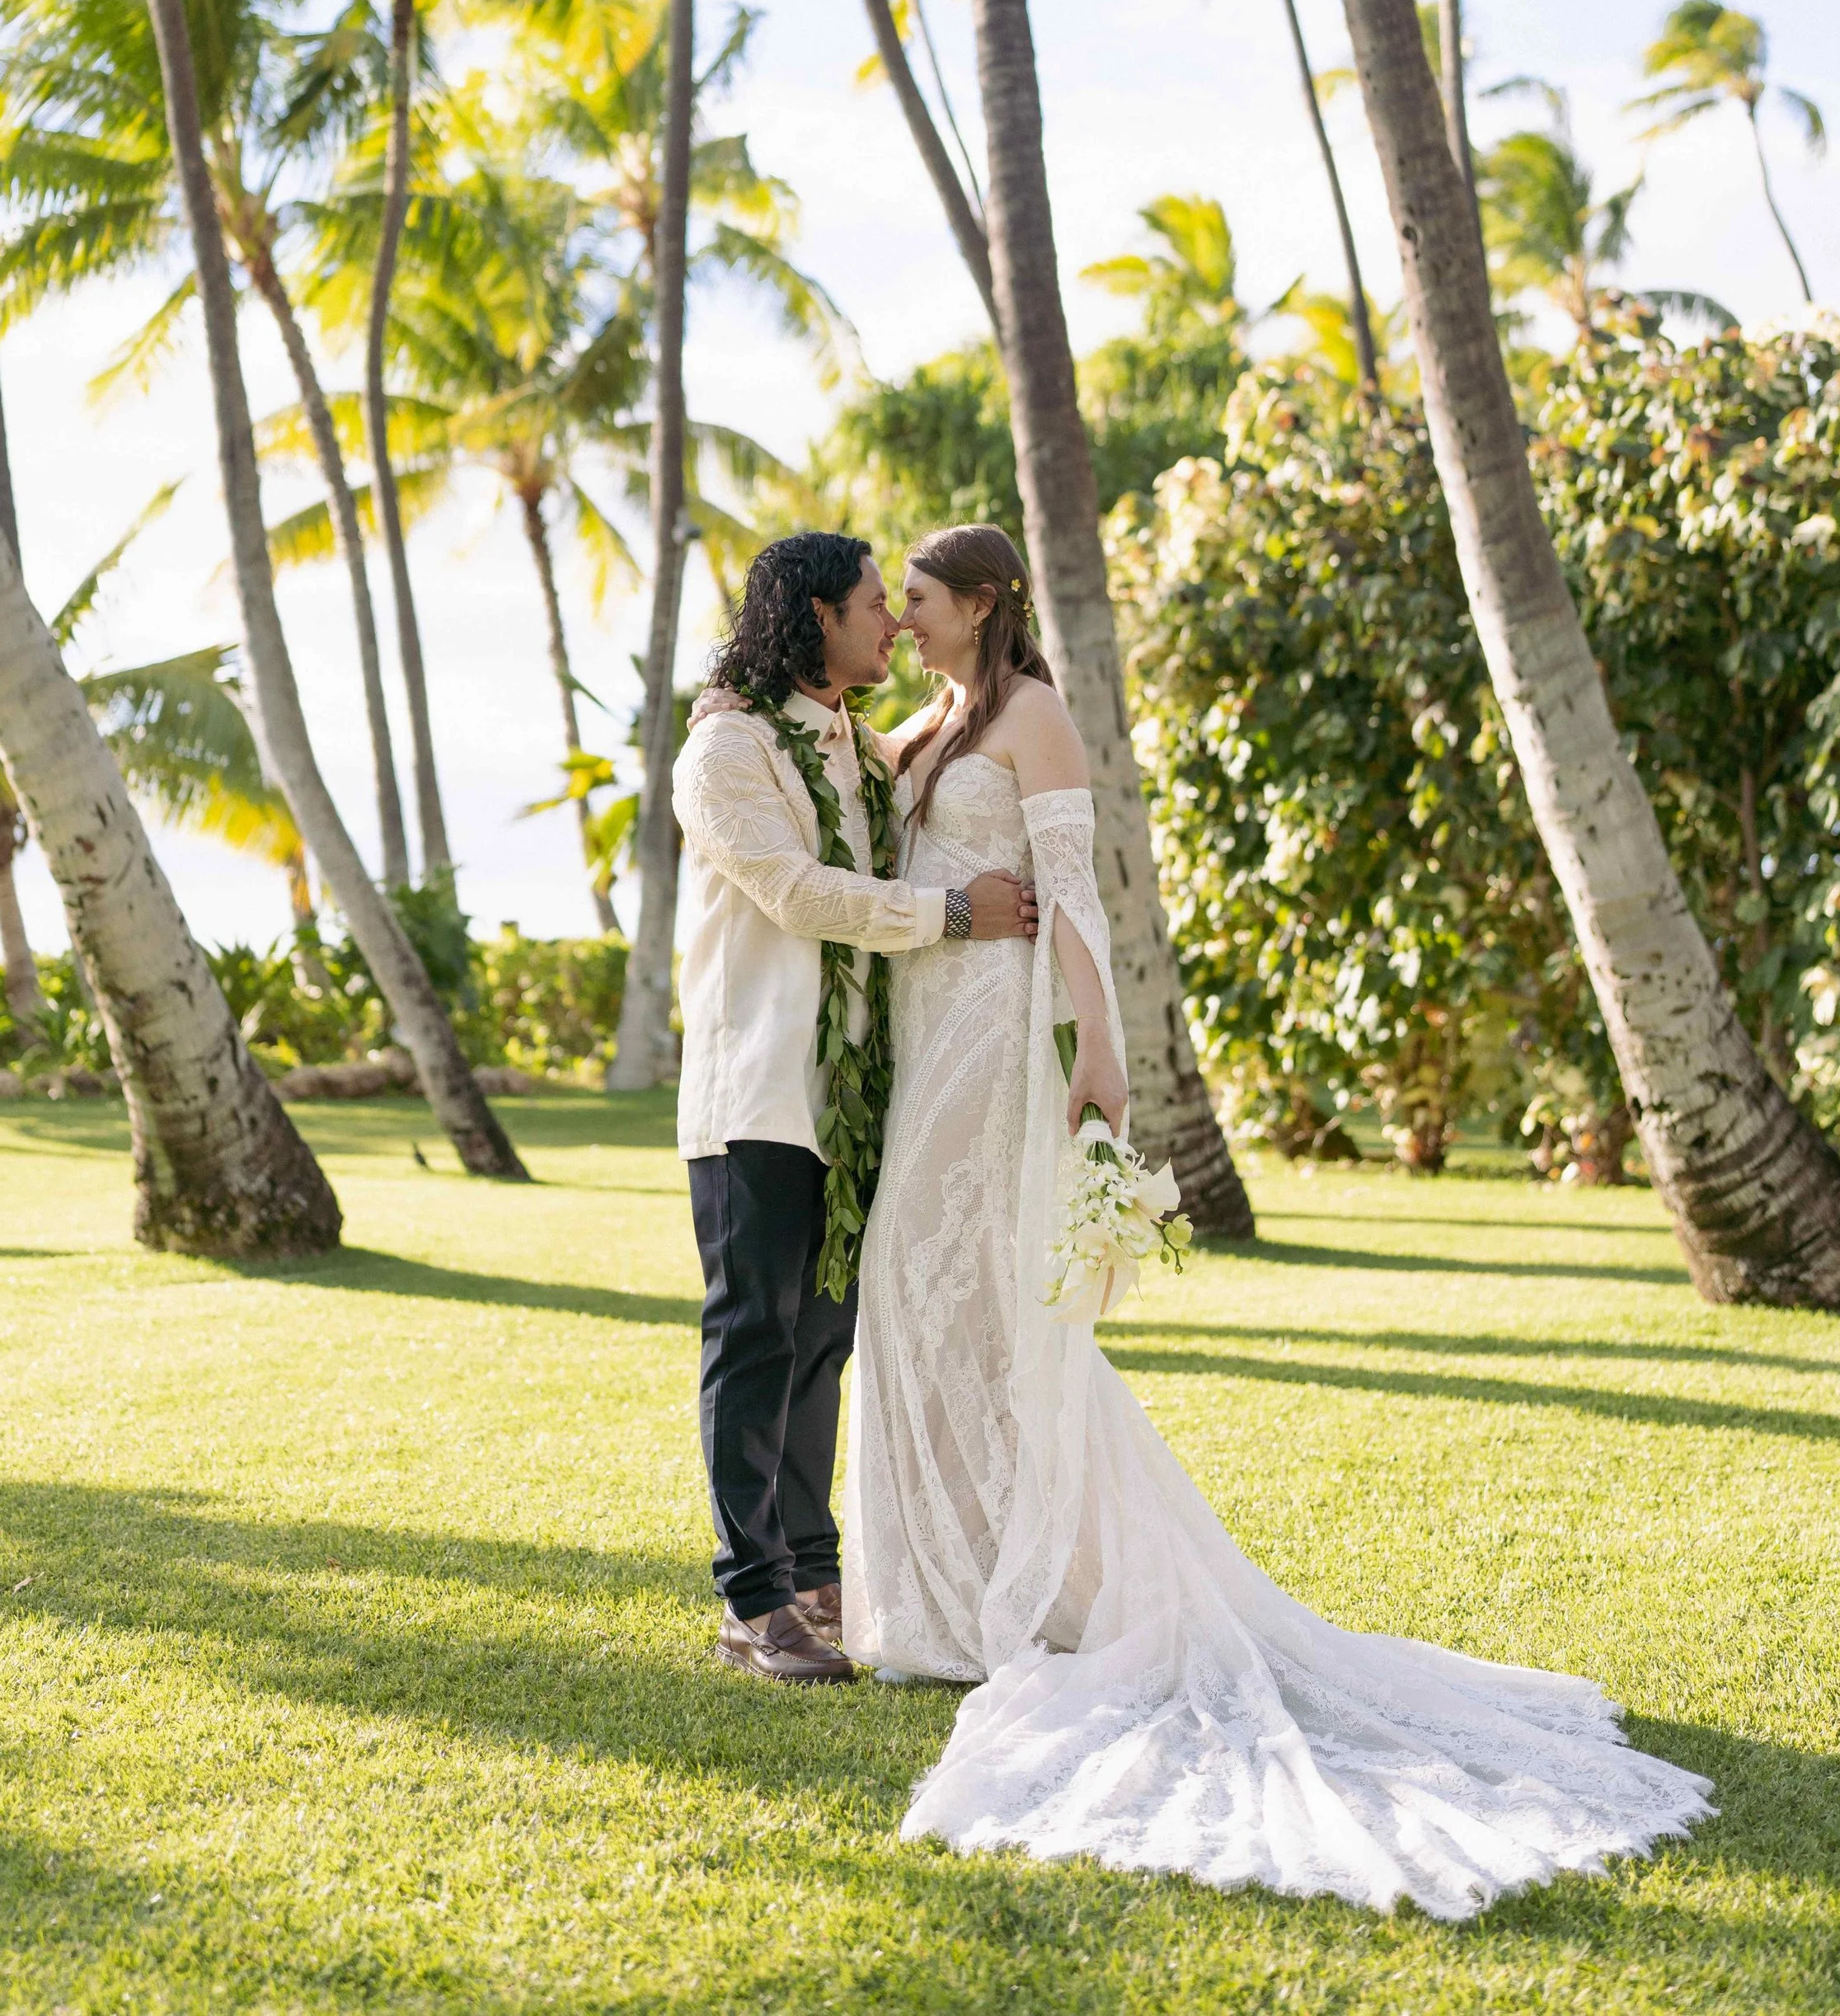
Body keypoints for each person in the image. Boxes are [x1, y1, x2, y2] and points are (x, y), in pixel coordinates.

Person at [838, 520, 1716, 1919]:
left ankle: (1040, 1591)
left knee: (989, 1310)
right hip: (921, 1031)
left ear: (985, 601)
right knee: (916, 1300)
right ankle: (944, 1593)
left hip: (995, 1044)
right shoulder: (929, 719)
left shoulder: (1033, 714)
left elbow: (1072, 891)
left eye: (925, 599)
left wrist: (1100, 1054)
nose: (909, 619)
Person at [669, 530, 1038, 1689]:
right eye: (877, 605)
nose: (893, 624)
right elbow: (795, 890)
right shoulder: (728, 748)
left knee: (824, 1338)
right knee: (756, 1333)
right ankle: (752, 1598)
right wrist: (956, 913)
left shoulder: (855, 747)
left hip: (852, 1098)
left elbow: (944, 750)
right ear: (817, 614)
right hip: (758, 1090)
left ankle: (815, 1573)